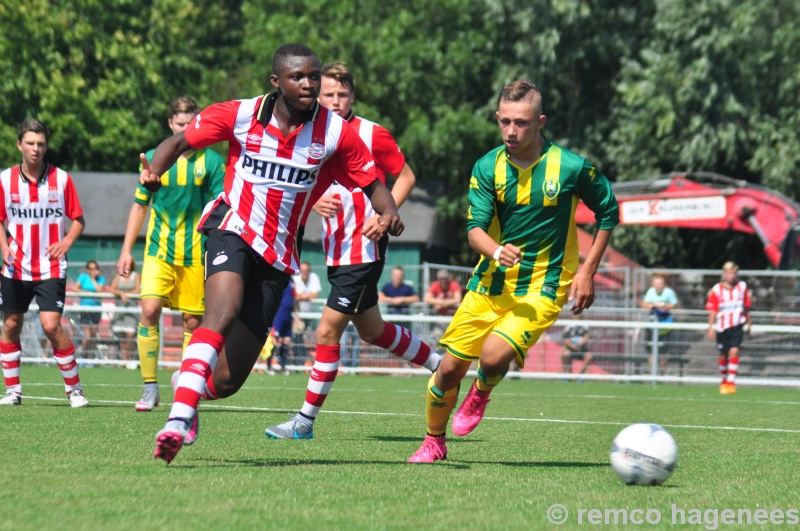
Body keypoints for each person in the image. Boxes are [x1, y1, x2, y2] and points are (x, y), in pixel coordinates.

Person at [150, 43, 404, 463]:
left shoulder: (336, 133)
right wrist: (152, 171)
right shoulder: (240, 113)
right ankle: (177, 419)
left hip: (280, 251)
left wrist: (389, 211)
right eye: (297, 77)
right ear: (276, 82)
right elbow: (179, 142)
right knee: (222, 310)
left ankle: (188, 386)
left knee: (229, 381)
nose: (308, 84)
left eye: (314, 76)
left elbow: (374, 184)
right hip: (232, 226)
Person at [407, 80, 618, 463]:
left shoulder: (569, 166)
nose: (511, 131)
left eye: (520, 123)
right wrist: (496, 250)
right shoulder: (488, 167)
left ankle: (482, 391)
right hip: (490, 282)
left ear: (540, 122)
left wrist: (587, 271)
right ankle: (433, 441)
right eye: (504, 122)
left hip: (545, 286)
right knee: (450, 368)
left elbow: (609, 211)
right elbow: (474, 231)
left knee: (491, 356)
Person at [263, 61, 442, 440]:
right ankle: (441, 366)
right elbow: (300, 184)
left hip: (364, 250)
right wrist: (311, 205)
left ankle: (304, 422)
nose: (336, 100)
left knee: (326, 333)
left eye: (342, 94)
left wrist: (384, 213)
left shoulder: (370, 133)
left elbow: (406, 175)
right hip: (336, 250)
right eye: (329, 94)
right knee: (373, 330)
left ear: (353, 96)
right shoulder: (313, 133)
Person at [116, 97, 225, 412]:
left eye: (191, 124)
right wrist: (126, 249)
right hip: (158, 252)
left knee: (192, 322)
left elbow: (220, 207)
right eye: (180, 124)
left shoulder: (212, 162)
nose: (186, 130)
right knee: (149, 310)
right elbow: (140, 204)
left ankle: (185, 386)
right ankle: (150, 388)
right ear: (170, 126)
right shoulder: (154, 158)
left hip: (195, 255)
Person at [0, 119, 89, 407]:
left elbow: (78, 220)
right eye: (30, 143)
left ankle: (75, 390)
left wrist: (65, 243)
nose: (36, 148)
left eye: (40, 143)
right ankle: (13, 391)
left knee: (51, 325)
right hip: (15, 267)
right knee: (12, 323)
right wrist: (3, 246)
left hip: (50, 266)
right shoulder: (5, 180)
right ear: (19, 145)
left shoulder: (61, 179)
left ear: (46, 146)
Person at [706, 261, 751, 395]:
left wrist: (749, 324)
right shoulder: (717, 289)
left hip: (737, 325)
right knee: (724, 354)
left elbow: (747, 307)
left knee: (734, 351)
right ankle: (724, 380)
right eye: (729, 272)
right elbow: (713, 310)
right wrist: (710, 327)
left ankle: (731, 382)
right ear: (724, 273)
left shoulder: (742, 287)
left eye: (734, 273)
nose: (731, 275)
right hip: (722, 326)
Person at [641, 274, 679, 373]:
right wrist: (654, 305)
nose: (658, 286)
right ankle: (651, 374)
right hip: (652, 326)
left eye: (660, 283)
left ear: (664, 284)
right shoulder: (651, 291)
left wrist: (664, 306)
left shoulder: (669, 292)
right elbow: (644, 304)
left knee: (663, 352)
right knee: (651, 350)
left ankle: (662, 373)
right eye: (656, 284)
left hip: (665, 326)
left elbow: (675, 305)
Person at [107, 259, 141, 361]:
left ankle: (130, 359)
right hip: (120, 309)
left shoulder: (136, 275)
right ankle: (124, 359)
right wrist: (121, 294)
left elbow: (137, 290)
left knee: (130, 335)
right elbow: (112, 288)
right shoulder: (118, 276)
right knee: (122, 337)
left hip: (132, 309)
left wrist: (126, 294)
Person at [73, 260, 107, 354]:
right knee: (87, 335)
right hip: (85, 308)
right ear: (87, 270)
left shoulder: (101, 279)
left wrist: (93, 279)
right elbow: (75, 288)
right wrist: (86, 292)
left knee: (93, 334)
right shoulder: (83, 277)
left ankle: (90, 356)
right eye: (91, 269)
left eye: (95, 269)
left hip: (96, 309)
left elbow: (99, 290)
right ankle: (83, 354)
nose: (93, 271)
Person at [271, 278, 295, 374]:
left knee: (287, 341)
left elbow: (294, 298)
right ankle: (269, 366)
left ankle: (283, 367)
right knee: (274, 340)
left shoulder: (292, 281)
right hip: (279, 314)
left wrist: (296, 314)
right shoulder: (281, 279)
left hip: (288, 315)